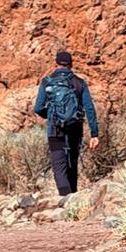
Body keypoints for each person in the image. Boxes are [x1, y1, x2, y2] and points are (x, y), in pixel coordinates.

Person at [33, 49, 99, 196]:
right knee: (72, 163)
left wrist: (50, 115)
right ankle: (74, 196)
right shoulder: (79, 83)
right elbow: (89, 108)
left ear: (55, 64)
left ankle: (66, 198)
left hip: (55, 129)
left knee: (59, 165)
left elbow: (37, 108)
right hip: (75, 128)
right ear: (71, 65)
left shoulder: (47, 82)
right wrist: (94, 134)